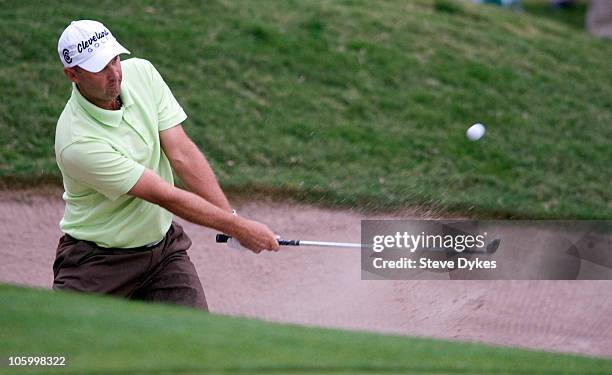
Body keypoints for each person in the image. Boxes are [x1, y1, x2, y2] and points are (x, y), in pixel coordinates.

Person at [53, 20, 280, 310]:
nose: (115, 74)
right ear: (72, 74)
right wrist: (240, 227)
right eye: (100, 68)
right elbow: (163, 194)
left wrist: (230, 219)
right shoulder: (77, 141)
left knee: (197, 343)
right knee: (61, 352)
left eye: (115, 60)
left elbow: (181, 153)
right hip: (97, 264)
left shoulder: (142, 73)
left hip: (162, 254)